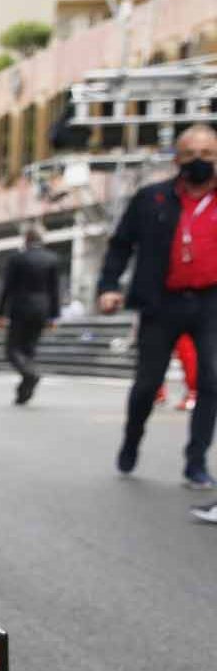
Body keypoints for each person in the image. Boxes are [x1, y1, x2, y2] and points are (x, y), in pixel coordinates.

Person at [98, 124, 217, 488]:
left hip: (210, 303)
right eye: (191, 155)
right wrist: (108, 287)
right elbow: (121, 244)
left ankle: (196, 462)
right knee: (147, 384)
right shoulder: (152, 198)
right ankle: (132, 440)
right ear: (177, 159)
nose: (199, 162)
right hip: (160, 303)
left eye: (208, 155)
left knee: (212, 380)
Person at [0, 226, 63, 404]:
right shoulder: (52, 259)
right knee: (29, 349)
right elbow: (55, 290)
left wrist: (0, 313)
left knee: (12, 350)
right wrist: (54, 315)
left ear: (26, 240)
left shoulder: (17, 259)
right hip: (42, 309)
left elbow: (7, 288)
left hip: (20, 308)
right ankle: (23, 392)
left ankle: (29, 374)